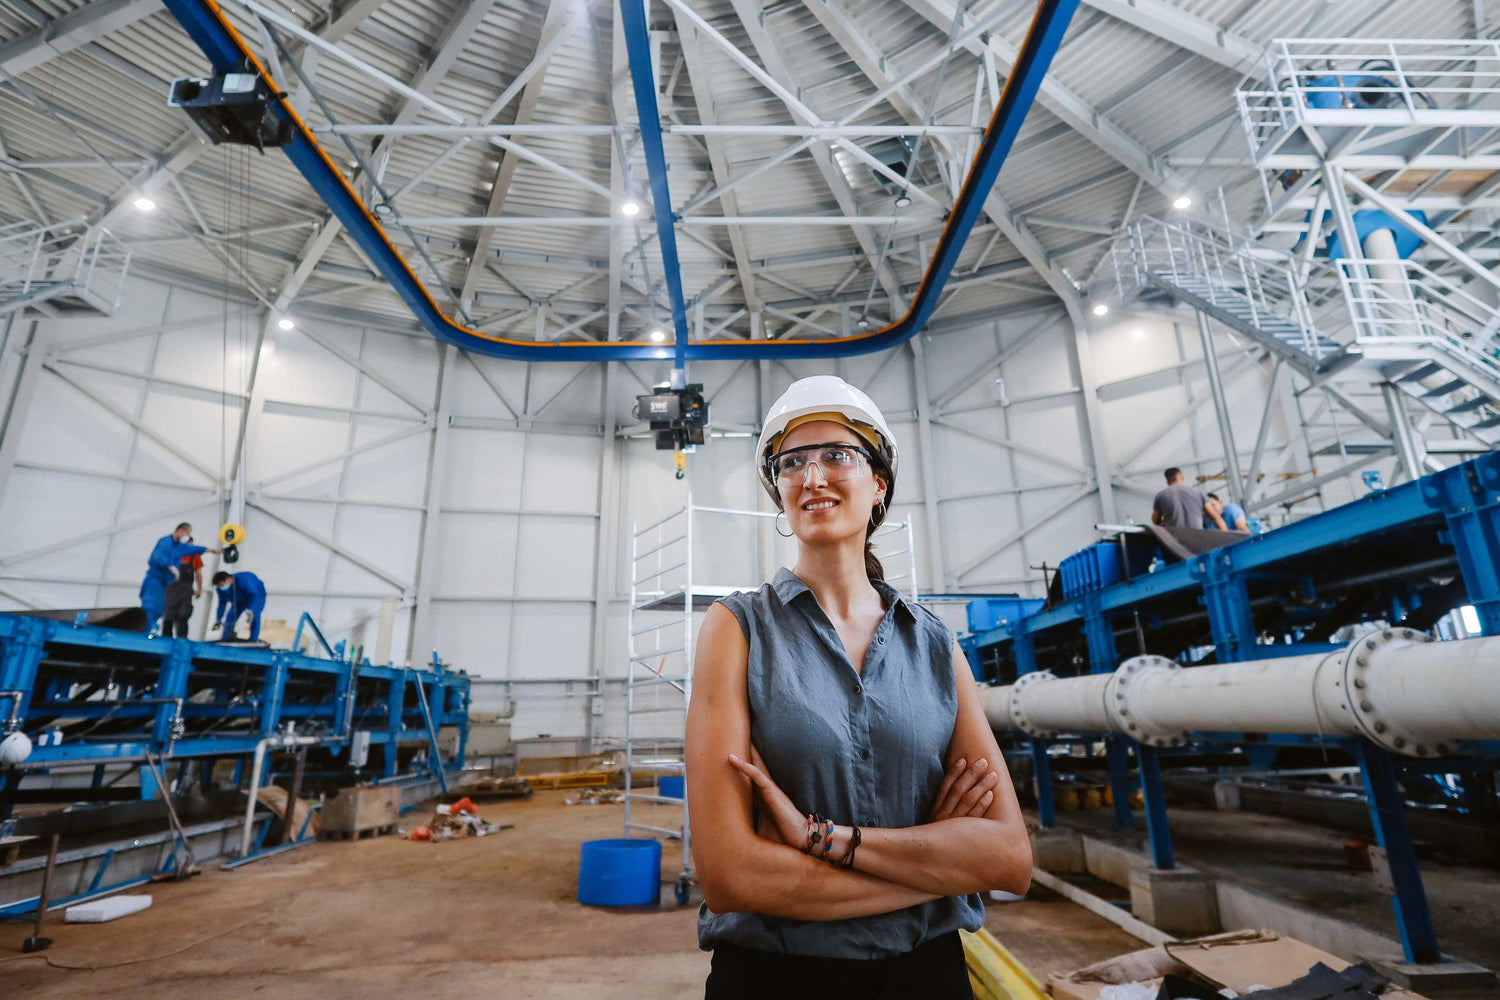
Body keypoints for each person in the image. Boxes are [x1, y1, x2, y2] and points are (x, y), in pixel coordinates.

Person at [686, 375, 1030, 998]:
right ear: (779, 492)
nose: (812, 477)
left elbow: (1007, 858)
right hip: (774, 979)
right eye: (792, 463)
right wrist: (939, 867)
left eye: (837, 455)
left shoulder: (935, 644)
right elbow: (730, 877)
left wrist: (820, 840)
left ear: (879, 485)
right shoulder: (736, 629)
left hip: (929, 976)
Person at [140, 523, 213, 634]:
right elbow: (158, 556)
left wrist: (211, 550)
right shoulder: (167, 543)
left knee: (180, 615)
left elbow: (198, 570)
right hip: (164, 585)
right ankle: (148, 634)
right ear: (180, 531)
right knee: (161, 612)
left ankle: (175, 639)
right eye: (187, 534)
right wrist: (171, 567)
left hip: (180, 589)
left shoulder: (188, 553)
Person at [1152, 467, 1225, 530]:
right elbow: (1216, 517)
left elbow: (1155, 520)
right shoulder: (1198, 492)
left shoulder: (1161, 495)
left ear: (1167, 482)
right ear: (1182, 478)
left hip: (1173, 537)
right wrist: (1226, 536)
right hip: (1196, 536)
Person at [161, 545, 204, 638]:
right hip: (171, 591)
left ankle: (182, 641)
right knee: (168, 617)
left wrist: (199, 588)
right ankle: (165, 641)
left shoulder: (195, 556)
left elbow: (198, 573)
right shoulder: (170, 554)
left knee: (183, 616)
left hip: (186, 592)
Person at [212, 570, 266, 641]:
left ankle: (253, 640)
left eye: (222, 585)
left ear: (228, 579)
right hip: (238, 600)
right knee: (230, 617)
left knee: (254, 617)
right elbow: (222, 604)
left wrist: (251, 610)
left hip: (256, 596)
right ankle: (226, 638)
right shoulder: (221, 589)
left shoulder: (244, 580)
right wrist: (218, 619)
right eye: (219, 586)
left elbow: (254, 595)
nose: (221, 587)